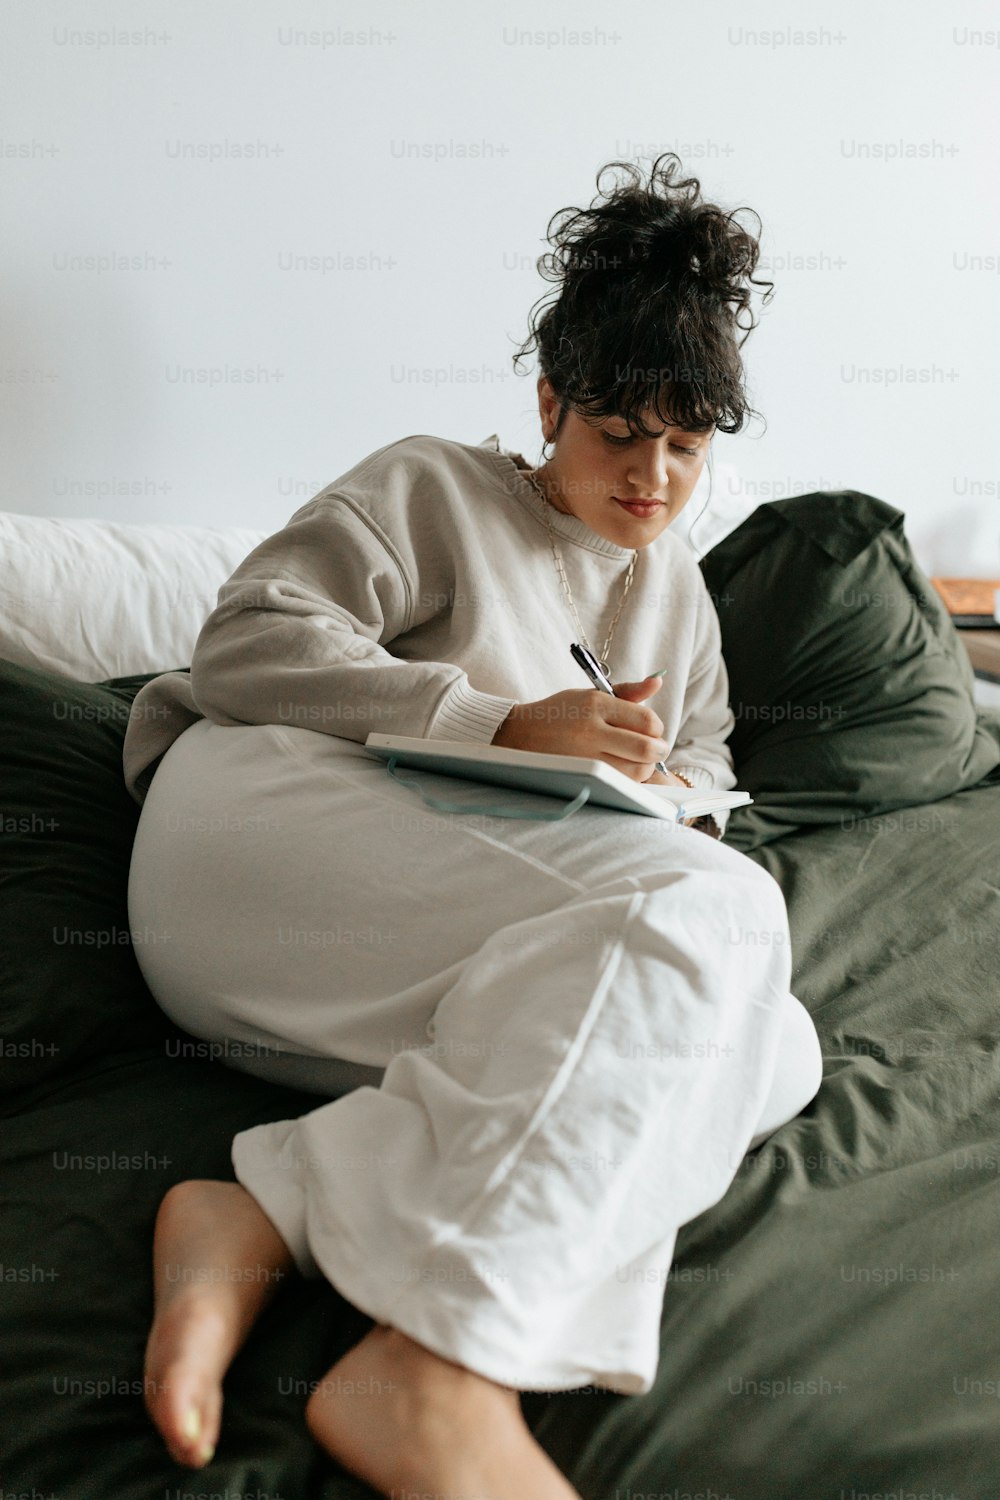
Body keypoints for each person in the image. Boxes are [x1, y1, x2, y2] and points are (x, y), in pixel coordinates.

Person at [125, 153, 823, 1499]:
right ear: (552, 401)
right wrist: (509, 723)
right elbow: (246, 641)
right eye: (622, 432)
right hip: (258, 827)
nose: (654, 476)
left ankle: (266, 1204)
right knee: (722, 925)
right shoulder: (436, 488)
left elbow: (707, 764)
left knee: (772, 1040)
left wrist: (663, 792)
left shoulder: (678, 593)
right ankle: (437, 1366)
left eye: (686, 445)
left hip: (434, 911)